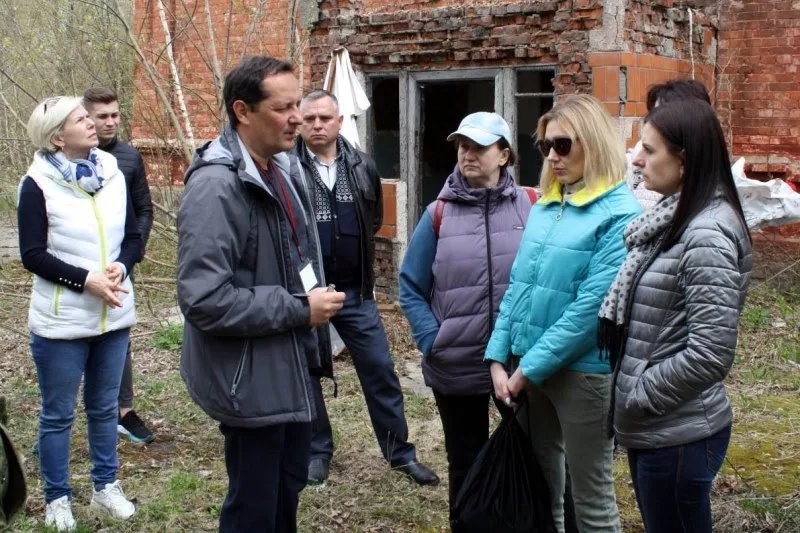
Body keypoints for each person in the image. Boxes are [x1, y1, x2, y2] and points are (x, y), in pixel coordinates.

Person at [176, 57, 345, 533]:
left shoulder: (282, 168)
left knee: (286, 487)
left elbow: (293, 256)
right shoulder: (216, 186)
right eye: (283, 107)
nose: (297, 117)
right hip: (248, 375)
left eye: (299, 104)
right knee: (254, 505)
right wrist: (299, 309)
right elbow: (204, 299)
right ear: (242, 111)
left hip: (287, 361)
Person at [486, 94, 641, 532]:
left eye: (563, 144)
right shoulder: (546, 205)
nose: (552, 155)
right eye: (545, 146)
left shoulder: (621, 214)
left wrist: (524, 370)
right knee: (542, 493)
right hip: (530, 374)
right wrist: (498, 356)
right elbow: (520, 285)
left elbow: (590, 312)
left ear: (592, 143)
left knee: (591, 502)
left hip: (582, 376)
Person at [599, 99, 752, 533]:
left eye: (649, 149)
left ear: (683, 160)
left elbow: (711, 352)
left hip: (679, 433)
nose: (636, 158)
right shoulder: (673, 218)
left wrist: (640, 392)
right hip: (660, 428)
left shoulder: (705, 233)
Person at [295, 90, 439, 486]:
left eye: (326, 117)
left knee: (379, 370)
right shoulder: (287, 168)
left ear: (340, 121)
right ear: (299, 122)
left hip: (355, 293)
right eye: (310, 119)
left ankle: (399, 453)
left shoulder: (362, 166)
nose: (318, 125)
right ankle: (316, 451)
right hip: (306, 295)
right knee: (308, 373)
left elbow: (372, 218)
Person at [398, 112, 534, 521]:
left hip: (517, 364)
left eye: (478, 146)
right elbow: (410, 284)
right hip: (456, 362)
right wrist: (432, 339)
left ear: (505, 154)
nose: (467, 153)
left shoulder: (533, 206)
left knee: (528, 457)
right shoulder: (438, 214)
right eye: (462, 145)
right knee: (467, 463)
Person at [19, 96, 141, 530]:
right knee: (58, 414)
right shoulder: (36, 184)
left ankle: (106, 486)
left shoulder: (110, 171)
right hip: (61, 322)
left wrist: (121, 267)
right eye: (81, 119)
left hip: (113, 315)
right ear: (57, 137)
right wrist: (86, 280)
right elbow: (32, 254)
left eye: (91, 118)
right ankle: (57, 498)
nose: (93, 124)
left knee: (106, 407)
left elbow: (132, 234)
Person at [84, 87, 155, 445]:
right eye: (102, 116)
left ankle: (123, 410)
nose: (110, 122)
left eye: (115, 115)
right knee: (75, 335)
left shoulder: (129, 158)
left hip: (120, 264)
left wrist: (132, 253)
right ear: (86, 118)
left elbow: (144, 209)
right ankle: (74, 411)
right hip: (80, 267)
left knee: (119, 336)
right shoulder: (68, 157)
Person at [626, 79, 711, 210]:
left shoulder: (706, 218)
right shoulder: (633, 160)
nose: (655, 121)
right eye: (654, 113)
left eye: (665, 114)